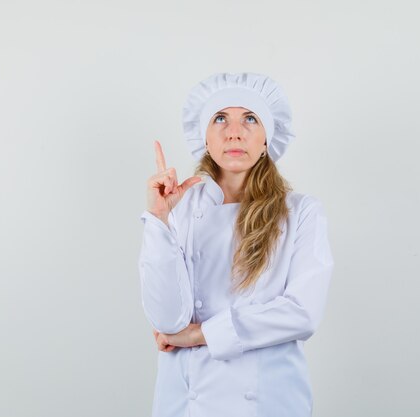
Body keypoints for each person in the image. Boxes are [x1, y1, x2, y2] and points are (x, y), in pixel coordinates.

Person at [137, 72, 334, 417]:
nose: (234, 132)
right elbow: (168, 322)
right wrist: (159, 221)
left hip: (268, 403)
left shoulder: (300, 213)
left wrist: (201, 335)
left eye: (250, 119)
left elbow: (301, 313)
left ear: (266, 140)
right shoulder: (178, 210)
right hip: (185, 403)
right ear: (206, 139)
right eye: (220, 118)